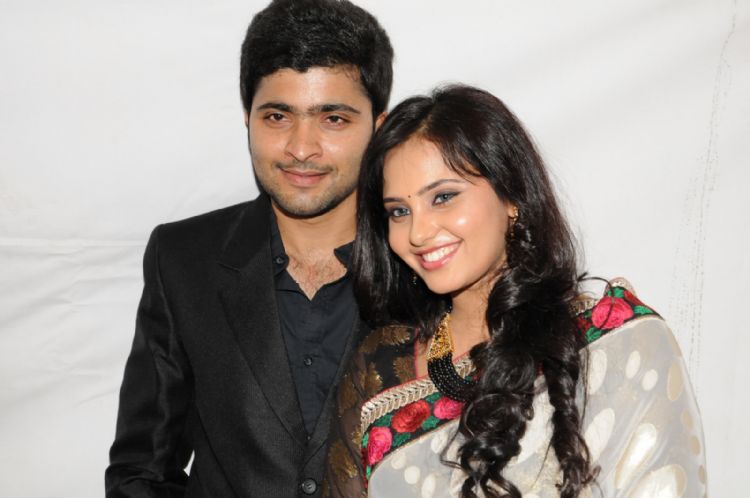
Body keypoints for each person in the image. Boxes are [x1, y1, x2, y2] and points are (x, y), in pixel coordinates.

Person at [323, 85, 706, 497]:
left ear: (511, 196)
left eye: (444, 197)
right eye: (399, 211)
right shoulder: (380, 366)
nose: (418, 232)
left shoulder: (616, 347)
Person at [105, 1, 393, 496]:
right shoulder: (183, 259)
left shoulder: (426, 262)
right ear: (247, 118)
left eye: (333, 119)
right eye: (278, 116)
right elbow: (142, 472)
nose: (301, 148)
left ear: (378, 125)